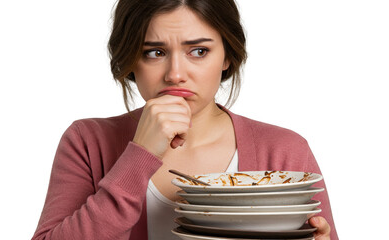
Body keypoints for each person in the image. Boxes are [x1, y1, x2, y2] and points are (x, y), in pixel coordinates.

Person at [32, 0, 338, 239]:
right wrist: (139, 156)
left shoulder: (285, 150)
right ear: (129, 59)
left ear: (227, 56)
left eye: (199, 51)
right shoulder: (87, 142)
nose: (175, 74)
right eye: (154, 53)